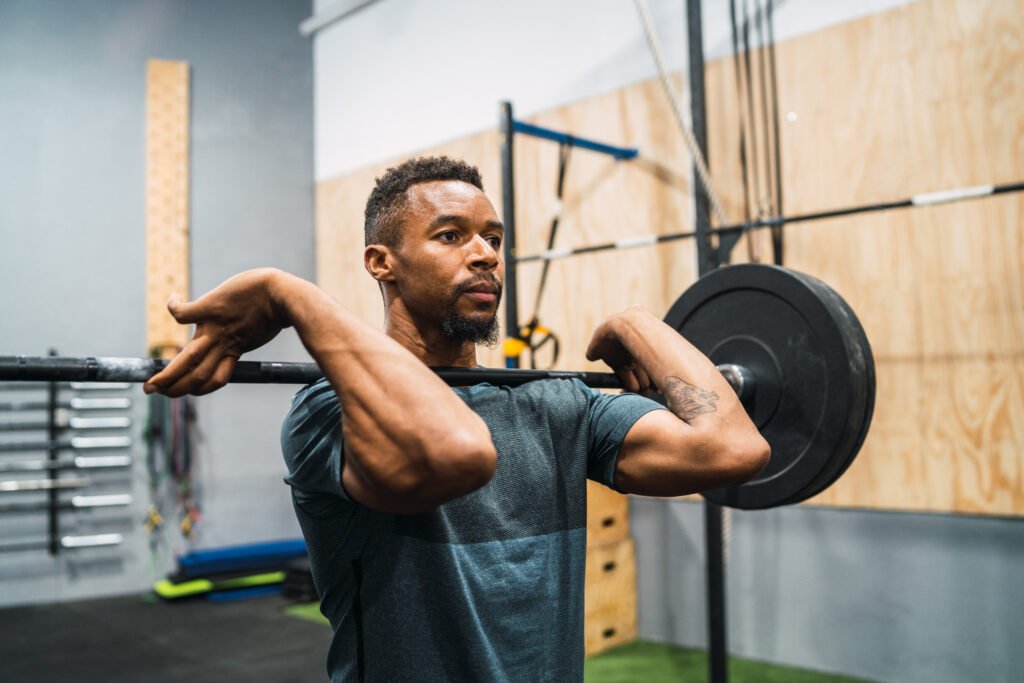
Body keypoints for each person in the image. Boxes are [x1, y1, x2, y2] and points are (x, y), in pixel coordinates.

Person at [144, 156, 769, 682]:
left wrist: (637, 322)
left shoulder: (555, 405)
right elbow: (453, 452)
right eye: (451, 236)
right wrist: (291, 295)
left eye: (493, 239)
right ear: (381, 262)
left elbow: (732, 450)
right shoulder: (328, 414)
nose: (485, 256)